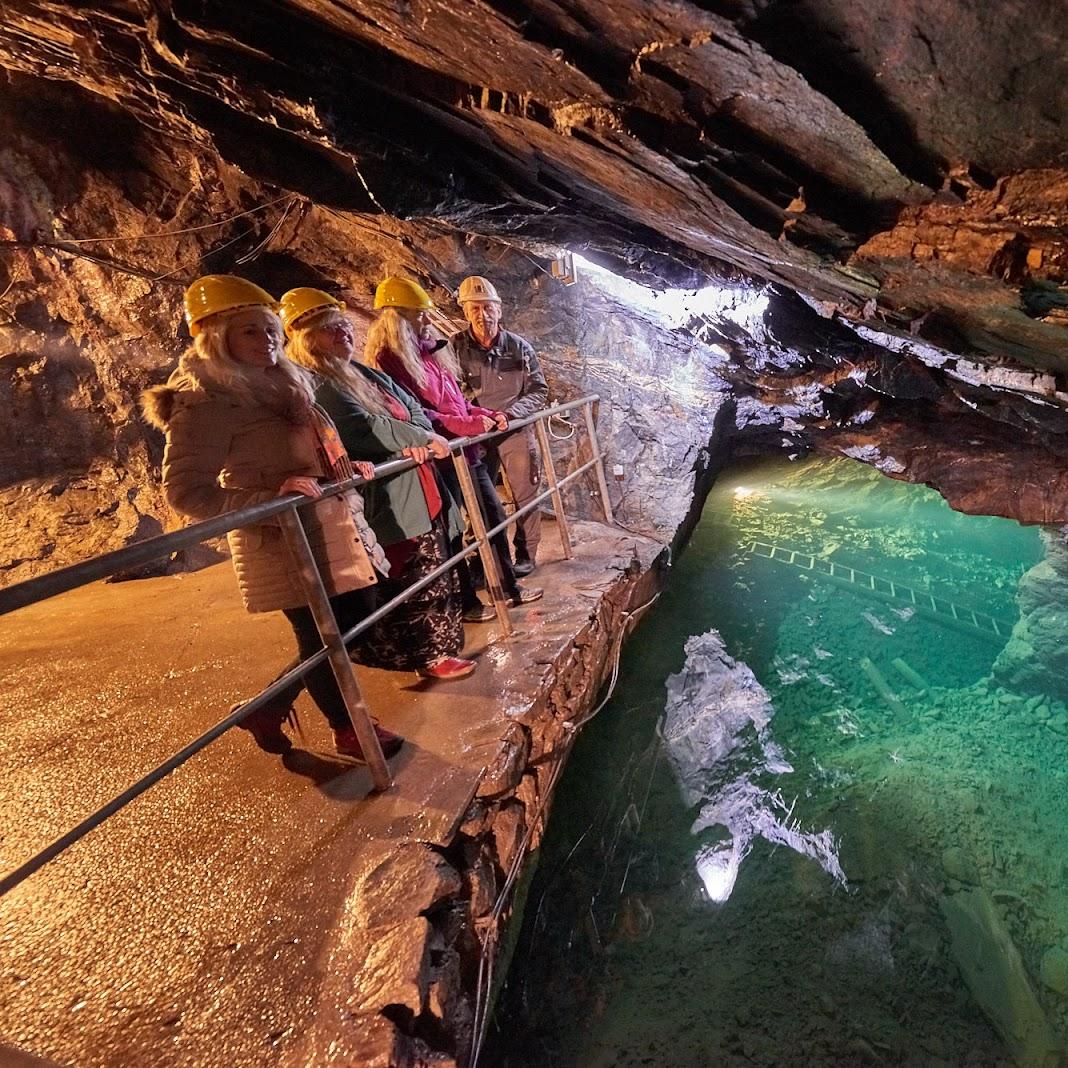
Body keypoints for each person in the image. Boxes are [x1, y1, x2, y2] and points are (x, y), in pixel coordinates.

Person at [140, 274, 402, 762]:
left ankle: (268, 707)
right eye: (249, 331)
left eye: (269, 329)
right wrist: (266, 499)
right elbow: (185, 492)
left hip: (329, 520)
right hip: (281, 538)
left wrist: (342, 464)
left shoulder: (285, 378)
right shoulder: (205, 399)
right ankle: (348, 729)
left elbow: (308, 443)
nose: (266, 340)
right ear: (216, 336)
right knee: (322, 635)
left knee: (355, 622)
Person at [280, 286, 478, 679]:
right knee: (412, 572)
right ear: (306, 337)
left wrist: (421, 434)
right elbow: (361, 426)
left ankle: (438, 650)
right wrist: (419, 439)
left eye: (343, 325)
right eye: (331, 329)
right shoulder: (318, 382)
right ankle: (426, 656)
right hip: (388, 491)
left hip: (416, 480)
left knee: (432, 563)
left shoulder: (361, 371)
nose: (344, 333)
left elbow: (414, 409)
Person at [365, 276, 544, 612]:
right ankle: (468, 601)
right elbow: (420, 414)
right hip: (445, 454)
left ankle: (507, 585)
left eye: (488, 307)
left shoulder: (435, 352)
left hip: (475, 443)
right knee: (453, 527)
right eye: (419, 315)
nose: (427, 321)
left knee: (497, 512)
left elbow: (458, 401)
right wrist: (472, 423)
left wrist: (488, 415)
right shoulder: (396, 360)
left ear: (499, 309)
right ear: (397, 319)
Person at [451, 275, 548, 577]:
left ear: (499, 310)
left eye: (488, 307)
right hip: (476, 434)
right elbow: (451, 392)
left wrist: (511, 414)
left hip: (514, 430)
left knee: (525, 495)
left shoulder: (519, 348)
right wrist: (477, 417)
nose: (483, 315)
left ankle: (525, 555)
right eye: (475, 308)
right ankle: (481, 559)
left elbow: (539, 391)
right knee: (477, 502)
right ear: (466, 312)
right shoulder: (454, 348)